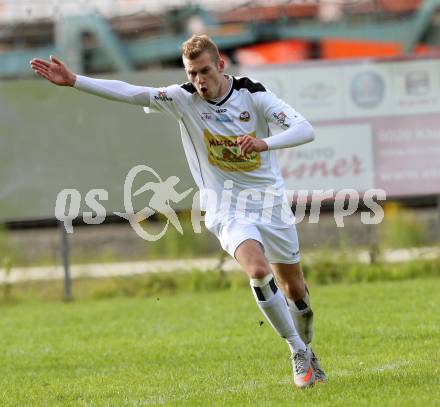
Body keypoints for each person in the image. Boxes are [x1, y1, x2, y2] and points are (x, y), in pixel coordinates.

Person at [30, 34, 327, 388]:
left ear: (220, 65)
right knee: (259, 271)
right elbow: (130, 91)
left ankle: (308, 349)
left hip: (269, 203)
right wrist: (76, 81)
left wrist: (265, 142)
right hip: (225, 206)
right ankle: (296, 350)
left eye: (204, 71)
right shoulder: (182, 99)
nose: (199, 80)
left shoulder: (253, 94)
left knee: (294, 290)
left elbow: (304, 129)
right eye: (191, 73)